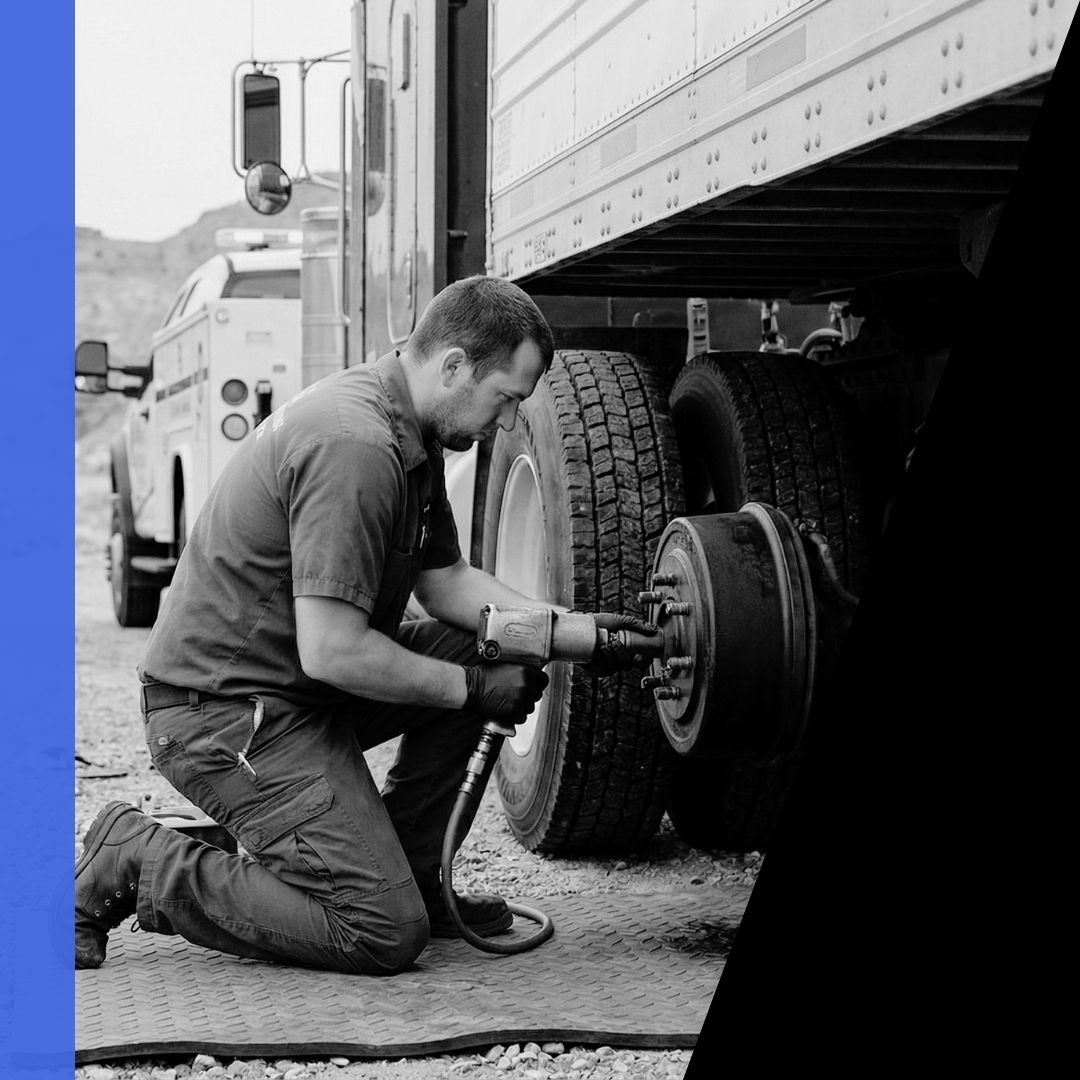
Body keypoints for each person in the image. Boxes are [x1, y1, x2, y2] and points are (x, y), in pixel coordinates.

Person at [75, 275, 652, 975]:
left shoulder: (411, 431)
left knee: (491, 640)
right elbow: (333, 649)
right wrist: (471, 691)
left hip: (291, 694)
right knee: (377, 931)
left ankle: (416, 877)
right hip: (223, 716)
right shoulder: (357, 448)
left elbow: (446, 585)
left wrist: (579, 634)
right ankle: (141, 857)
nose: (505, 422)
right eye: (505, 398)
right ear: (454, 367)